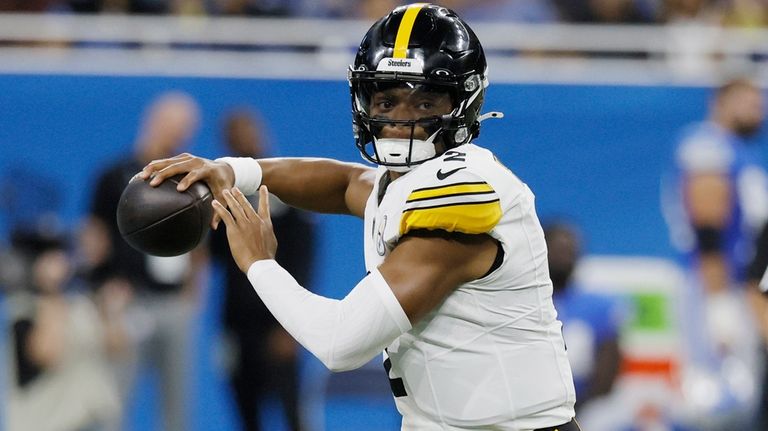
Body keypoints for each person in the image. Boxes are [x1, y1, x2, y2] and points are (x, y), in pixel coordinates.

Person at [139, 4, 578, 430]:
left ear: (464, 102)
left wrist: (260, 264)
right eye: (386, 101)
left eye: (424, 102)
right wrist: (235, 170)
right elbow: (345, 183)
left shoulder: (463, 193)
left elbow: (341, 343)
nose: (400, 121)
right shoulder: (408, 180)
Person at [85, 91, 204, 431]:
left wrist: (192, 295)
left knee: (177, 405)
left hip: (174, 302)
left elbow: (200, 245)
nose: (182, 135)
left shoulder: (189, 177)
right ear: (155, 121)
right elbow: (95, 236)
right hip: (129, 299)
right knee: (115, 399)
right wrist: (105, 294)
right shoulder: (115, 175)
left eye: (188, 128)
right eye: (178, 126)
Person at [663, 78, 767, 426]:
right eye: (749, 102)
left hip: (738, 283)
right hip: (714, 284)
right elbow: (709, 227)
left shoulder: (739, 150)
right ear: (721, 102)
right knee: (714, 396)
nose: (758, 111)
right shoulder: (708, 145)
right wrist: (717, 299)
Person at [210, 109, 316, 431]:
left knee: (292, 411)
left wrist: (293, 325)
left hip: (279, 321)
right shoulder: (222, 195)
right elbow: (215, 256)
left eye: (249, 132)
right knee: (246, 412)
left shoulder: (284, 185)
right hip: (238, 323)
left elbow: (304, 256)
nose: (244, 140)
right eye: (235, 135)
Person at [544, 223, 624, 412]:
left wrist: (579, 408)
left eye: (569, 251)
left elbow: (609, 367)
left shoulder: (597, 305)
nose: (564, 258)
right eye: (557, 250)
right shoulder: (523, 302)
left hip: (585, 405)